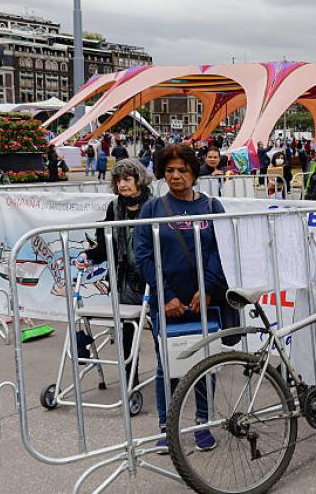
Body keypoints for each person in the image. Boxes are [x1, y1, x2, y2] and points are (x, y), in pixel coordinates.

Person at [134, 143, 230, 452]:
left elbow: (222, 249)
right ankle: (167, 427)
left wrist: (209, 289)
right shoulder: (152, 209)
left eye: (182, 170)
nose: (176, 176)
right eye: (170, 170)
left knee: (205, 362)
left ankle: (203, 423)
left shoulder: (212, 207)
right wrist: (167, 296)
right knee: (166, 367)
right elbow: (143, 256)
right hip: (168, 304)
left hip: (205, 299)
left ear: (193, 173)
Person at [82, 159, 153, 381]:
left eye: (127, 179)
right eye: (118, 180)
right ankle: (130, 377)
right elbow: (104, 245)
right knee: (128, 332)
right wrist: (88, 255)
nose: (122, 184)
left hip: (153, 279)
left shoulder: (154, 204)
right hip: (126, 280)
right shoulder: (114, 207)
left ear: (139, 180)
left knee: (160, 330)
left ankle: (168, 378)